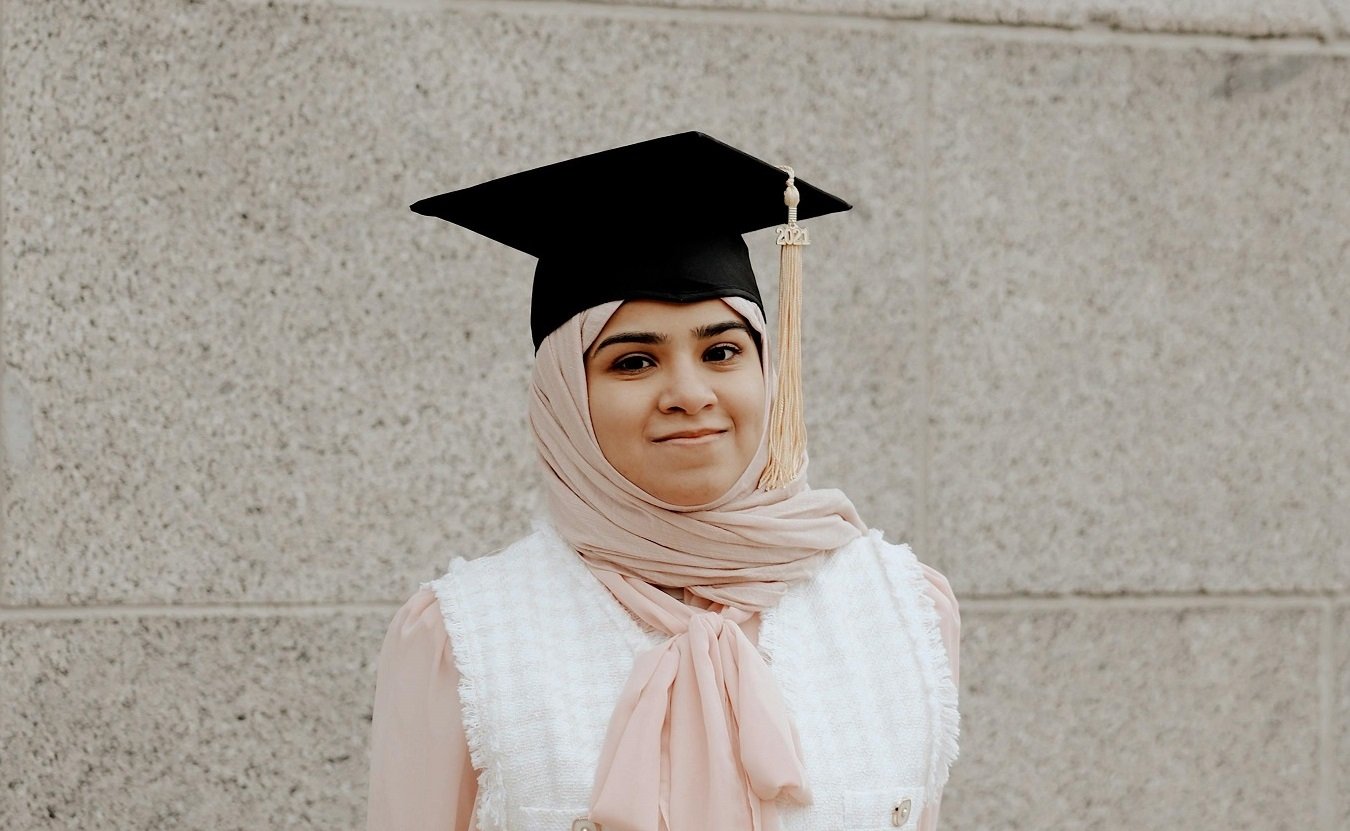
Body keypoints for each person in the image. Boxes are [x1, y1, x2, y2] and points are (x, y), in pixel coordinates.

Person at [367, 133, 960, 831]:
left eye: (721, 351)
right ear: (566, 395)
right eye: (633, 362)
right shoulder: (462, 639)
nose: (689, 392)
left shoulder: (902, 611)